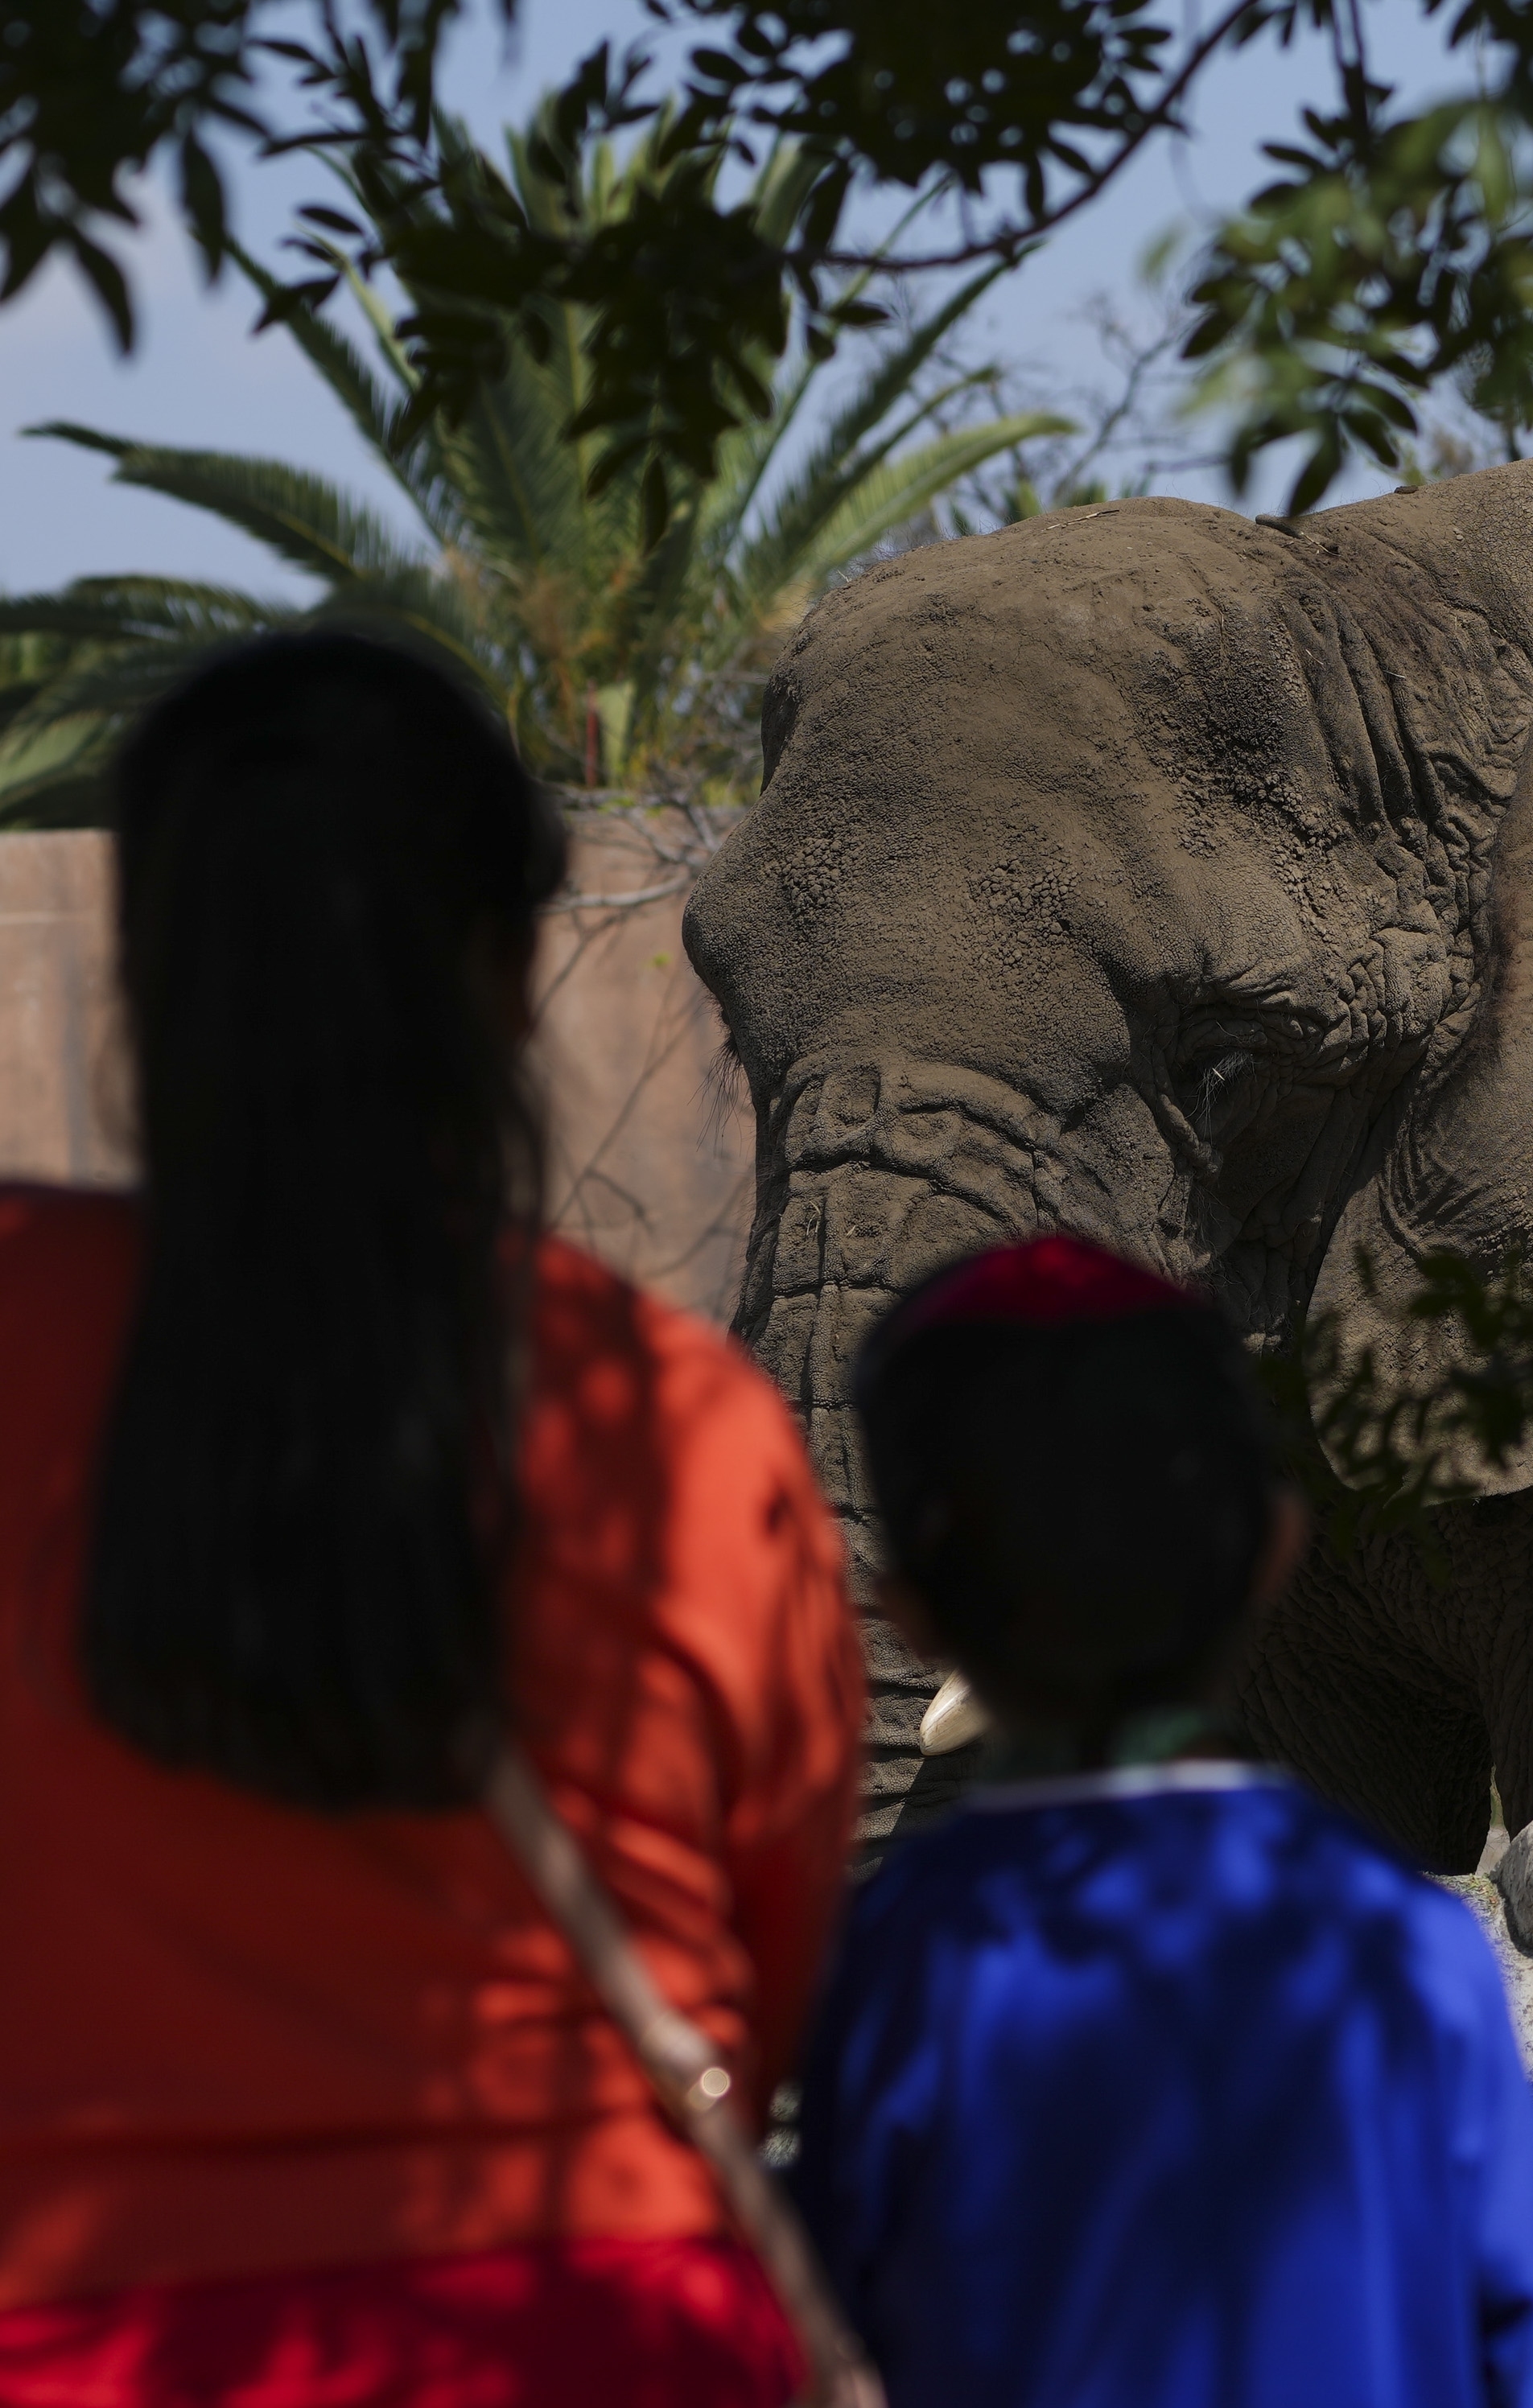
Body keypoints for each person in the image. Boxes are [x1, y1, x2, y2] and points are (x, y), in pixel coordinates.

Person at [0, 632, 868, 2404]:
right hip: (606, 2337)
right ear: (498, 970)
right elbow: (774, 1971)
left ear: (144, 972)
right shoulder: (678, 1422)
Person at [792, 1233, 1533, 2408]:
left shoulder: (901, 1960)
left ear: (909, 1622)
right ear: (1274, 1551)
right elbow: (1532, 2351)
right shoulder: (1406, 1946)